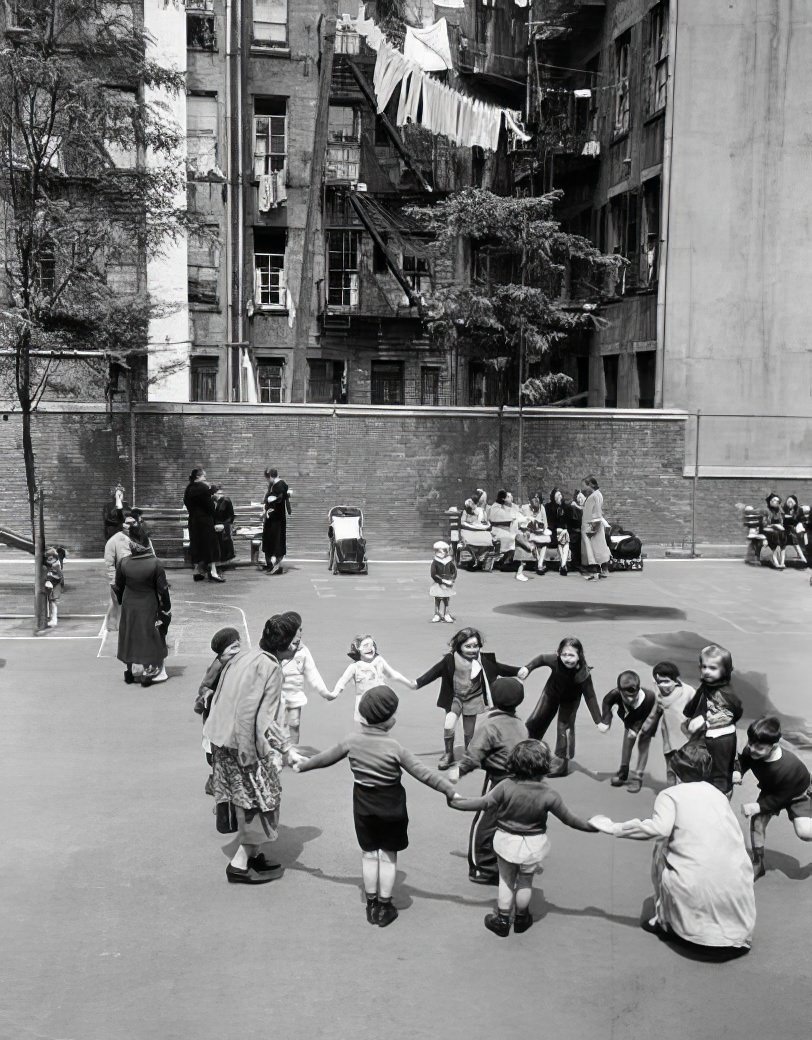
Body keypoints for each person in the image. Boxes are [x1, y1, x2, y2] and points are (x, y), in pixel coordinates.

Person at [294, 686, 457, 927]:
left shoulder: (351, 741)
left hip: (363, 807)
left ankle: (371, 903)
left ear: (362, 716)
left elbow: (324, 759)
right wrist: (449, 790)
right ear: (389, 721)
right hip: (392, 807)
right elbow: (423, 774)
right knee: (389, 855)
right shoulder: (395, 748)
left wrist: (302, 766)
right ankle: (384, 905)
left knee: (369, 854)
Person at [590, 742, 756, 955]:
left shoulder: (670, 795)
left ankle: (665, 920)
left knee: (661, 845)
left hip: (693, 908)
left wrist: (613, 827)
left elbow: (658, 830)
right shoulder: (719, 795)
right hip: (738, 929)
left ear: (677, 771)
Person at [449, 740, 599, 937]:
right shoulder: (549, 794)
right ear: (544, 766)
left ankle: (502, 920)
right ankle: (521, 918)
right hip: (534, 844)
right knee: (525, 882)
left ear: (514, 762)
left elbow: (483, 803)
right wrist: (592, 826)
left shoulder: (505, 786)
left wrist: (456, 802)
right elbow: (570, 820)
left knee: (505, 880)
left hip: (506, 840)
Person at [202, 613, 304, 884]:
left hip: (221, 740)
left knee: (245, 799)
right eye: (295, 642)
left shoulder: (245, 655)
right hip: (243, 745)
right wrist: (284, 749)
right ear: (282, 644)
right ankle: (239, 863)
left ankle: (253, 854)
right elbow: (258, 717)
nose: (298, 647)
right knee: (262, 800)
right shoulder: (271, 669)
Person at [452, 677, 528, 885]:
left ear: (493, 699)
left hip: (499, 778)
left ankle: (482, 868)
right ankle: (508, 861)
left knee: (484, 823)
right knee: (508, 822)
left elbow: (474, 754)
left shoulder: (490, 725)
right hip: (521, 780)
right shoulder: (520, 724)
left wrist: (459, 771)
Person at [414, 628, 522, 770]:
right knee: (449, 724)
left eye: (475, 646)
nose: (472, 650)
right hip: (455, 698)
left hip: (473, 699)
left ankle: (469, 755)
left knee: (469, 731)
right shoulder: (450, 659)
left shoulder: (483, 660)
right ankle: (448, 754)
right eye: (468, 646)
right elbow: (434, 672)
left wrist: (519, 670)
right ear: (459, 646)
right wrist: (417, 682)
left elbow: (500, 668)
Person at [738, 715, 812, 880]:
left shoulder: (788, 766)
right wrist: (738, 772)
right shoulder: (751, 750)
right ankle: (758, 863)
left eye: (759, 747)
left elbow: (782, 797)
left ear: (774, 745)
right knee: (757, 822)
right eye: (750, 743)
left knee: (805, 833)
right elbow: (743, 761)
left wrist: (758, 806)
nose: (752, 749)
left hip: (797, 794)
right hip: (772, 789)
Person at [518, 637, 603, 777]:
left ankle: (563, 765)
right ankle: (527, 755)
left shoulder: (583, 674)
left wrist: (598, 720)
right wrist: (528, 668)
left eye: (571, 655)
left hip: (570, 700)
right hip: (551, 693)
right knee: (536, 721)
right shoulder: (554, 660)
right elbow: (541, 658)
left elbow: (590, 697)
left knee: (565, 728)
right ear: (558, 654)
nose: (567, 659)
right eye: (564, 654)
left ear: (579, 655)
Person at [683, 644, 742, 797]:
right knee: (702, 769)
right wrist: (690, 715)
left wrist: (706, 721)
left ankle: (722, 802)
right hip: (704, 737)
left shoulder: (725, 692)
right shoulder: (706, 686)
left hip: (721, 739)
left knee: (721, 775)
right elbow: (694, 703)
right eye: (704, 667)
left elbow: (734, 713)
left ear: (725, 670)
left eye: (713, 668)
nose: (707, 671)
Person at [112, 538, 171, 686]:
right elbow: (163, 589)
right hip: (148, 602)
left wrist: (121, 601)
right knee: (150, 635)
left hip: (129, 603)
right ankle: (149, 670)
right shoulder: (155, 563)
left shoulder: (123, 563)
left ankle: (131, 670)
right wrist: (166, 607)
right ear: (147, 546)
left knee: (130, 634)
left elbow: (118, 586)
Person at [331, 634, 414, 723]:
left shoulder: (379, 660)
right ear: (357, 649)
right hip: (363, 704)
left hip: (380, 702)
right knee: (364, 727)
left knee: (382, 724)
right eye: (365, 646)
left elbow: (392, 674)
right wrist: (334, 693)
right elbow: (343, 681)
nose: (370, 648)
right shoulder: (354, 667)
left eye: (372, 645)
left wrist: (409, 683)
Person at [598, 670, 657, 793]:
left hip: (650, 714)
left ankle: (638, 777)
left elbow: (644, 718)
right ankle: (623, 772)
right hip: (630, 717)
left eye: (633, 696)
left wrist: (636, 729)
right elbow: (606, 704)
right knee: (628, 741)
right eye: (626, 696)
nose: (630, 699)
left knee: (643, 743)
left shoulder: (649, 697)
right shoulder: (613, 695)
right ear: (619, 690)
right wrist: (606, 720)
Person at [279, 612, 332, 746]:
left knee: (294, 724)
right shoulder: (276, 647)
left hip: (294, 694)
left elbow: (313, 673)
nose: (301, 633)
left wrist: (325, 692)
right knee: (275, 726)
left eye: (301, 629)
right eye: (298, 630)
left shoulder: (303, 651)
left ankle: (293, 753)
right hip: (275, 695)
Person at [639, 661, 696, 785]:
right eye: (659, 682)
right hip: (668, 738)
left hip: (686, 739)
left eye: (666, 681)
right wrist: (647, 725)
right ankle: (670, 795)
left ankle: (683, 798)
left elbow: (700, 711)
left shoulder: (688, 692)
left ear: (675, 681)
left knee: (684, 772)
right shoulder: (658, 691)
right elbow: (656, 709)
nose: (662, 685)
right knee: (670, 770)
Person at [183, 468, 224, 583]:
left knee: (196, 544)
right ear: (198, 477)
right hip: (205, 521)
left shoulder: (189, 488)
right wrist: (215, 502)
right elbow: (210, 507)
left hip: (193, 520)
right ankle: (213, 572)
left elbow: (187, 503)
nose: (205, 478)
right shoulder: (203, 488)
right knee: (211, 545)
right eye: (204, 476)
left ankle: (197, 571)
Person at [261, 467, 291, 575]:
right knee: (270, 540)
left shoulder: (280, 486)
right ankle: (272, 565)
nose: (267, 481)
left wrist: (270, 503)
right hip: (272, 519)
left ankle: (276, 565)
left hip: (276, 519)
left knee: (276, 541)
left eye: (267, 478)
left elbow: (278, 501)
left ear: (270, 476)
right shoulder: (274, 485)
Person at [580, 475, 610, 580]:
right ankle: (603, 571)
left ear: (590, 485)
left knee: (593, 550)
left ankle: (595, 572)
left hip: (591, 526)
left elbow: (597, 513)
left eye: (584, 486)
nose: (582, 488)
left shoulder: (594, 496)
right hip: (591, 525)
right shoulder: (596, 494)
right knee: (599, 548)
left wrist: (594, 528)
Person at [520, 491, 550, 576]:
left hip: (539, 532)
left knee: (545, 540)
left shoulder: (542, 508)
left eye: (538, 500)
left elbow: (545, 524)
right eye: (534, 500)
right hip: (528, 532)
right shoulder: (524, 508)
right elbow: (520, 523)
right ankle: (540, 563)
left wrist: (542, 527)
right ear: (530, 501)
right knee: (531, 538)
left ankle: (539, 564)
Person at [546, 488, 572, 577]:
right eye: (557, 495)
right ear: (553, 497)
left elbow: (568, 521)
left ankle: (563, 565)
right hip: (553, 532)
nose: (559, 497)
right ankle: (563, 566)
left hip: (564, 532)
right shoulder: (548, 507)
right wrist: (557, 530)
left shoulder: (566, 507)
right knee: (563, 540)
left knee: (564, 537)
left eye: (560, 495)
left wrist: (564, 529)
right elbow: (549, 522)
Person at [429, 540, 457, 622]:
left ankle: (446, 614)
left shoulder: (449, 561)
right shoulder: (435, 561)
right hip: (438, 583)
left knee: (446, 599)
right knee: (437, 598)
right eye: (439, 550)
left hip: (448, 582)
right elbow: (433, 574)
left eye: (443, 550)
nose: (442, 552)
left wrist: (452, 579)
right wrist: (441, 581)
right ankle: (437, 614)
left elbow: (454, 571)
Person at [760, 492, 787, 569]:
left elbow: (782, 525)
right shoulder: (766, 511)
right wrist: (774, 525)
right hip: (769, 531)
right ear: (770, 501)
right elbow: (764, 526)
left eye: (778, 501)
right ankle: (775, 561)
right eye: (774, 500)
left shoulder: (780, 511)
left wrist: (779, 526)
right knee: (775, 534)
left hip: (778, 532)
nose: (776, 502)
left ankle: (782, 562)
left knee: (782, 534)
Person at [211, 485, 236, 568]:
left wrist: (224, 525)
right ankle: (217, 561)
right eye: (217, 493)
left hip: (224, 525)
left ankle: (224, 561)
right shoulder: (212, 501)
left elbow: (231, 516)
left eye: (220, 493)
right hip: (215, 525)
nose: (219, 495)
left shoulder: (226, 501)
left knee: (224, 540)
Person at [781, 494, 808, 566]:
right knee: (783, 546)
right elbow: (781, 518)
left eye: (791, 502)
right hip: (785, 529)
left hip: (793, 530)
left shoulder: (799, 510)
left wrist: (798, 524)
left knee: (796, 545)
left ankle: (804, 560)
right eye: (788, 502)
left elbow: (802, 520)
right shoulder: (783, 509)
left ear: (795, 502)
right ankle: (782, 562)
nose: (790, 504)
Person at [43, 546, 64, 629]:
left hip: (56, 584)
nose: (49, 560)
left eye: (51, 558)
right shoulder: (52, 564)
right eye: (48, 559)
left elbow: (59, 576)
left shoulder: (56, 565)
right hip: (52, 583)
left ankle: (54, 619)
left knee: (53, 601)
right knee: (50, 601)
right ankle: (50, 617)